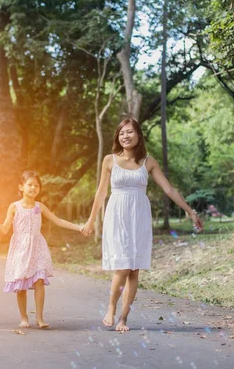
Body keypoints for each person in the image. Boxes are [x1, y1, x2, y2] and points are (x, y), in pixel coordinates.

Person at [82, 118, 203, 332]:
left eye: (129, 132)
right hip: (117, 215)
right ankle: (111, 308)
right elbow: (101, 192)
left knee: (134, 270)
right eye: (121, 133)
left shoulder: (149, 162)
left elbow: (169, 190)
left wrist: (190, 211)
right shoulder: (109, 160)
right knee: (123, 266)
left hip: (139, 216)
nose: (125, 136)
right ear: (117, 138)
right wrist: (91, 220)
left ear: (138, 135)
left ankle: (123, 318)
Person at [0, 170, 84, 329]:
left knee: (39, 281)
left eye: (36, 185)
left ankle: (40, 318)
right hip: (20, 249)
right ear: (21, 187)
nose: (33, 188)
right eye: (29, 185)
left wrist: (80, 227)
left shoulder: (40, 207)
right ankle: (24, 318)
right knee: (21, 284)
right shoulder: (14, 207)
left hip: (37, 247)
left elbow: (57, 221)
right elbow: (4, 230)